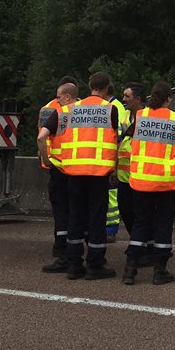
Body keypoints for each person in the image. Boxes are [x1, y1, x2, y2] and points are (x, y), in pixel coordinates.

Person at [122, 81, 175, 286]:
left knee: (141, 222)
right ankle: (160, 271)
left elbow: (128, 137)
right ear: (168, 99)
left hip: (142, 180)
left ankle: (130, 270)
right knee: (163, 224)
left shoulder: (140, 117)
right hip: (167, 181)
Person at [56, 71, 120, 280]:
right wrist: (114, 169)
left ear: (89, 85)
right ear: (106, 87)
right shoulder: (110, 109)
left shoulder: (70, 109)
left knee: (75, 216)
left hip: (74, 172)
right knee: (96, 218)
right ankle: (94, 263)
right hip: (98, 172)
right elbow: (114, 141)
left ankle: (74, 264)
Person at [36, 77, 79, 273]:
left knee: (60, 211)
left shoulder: (47, 109)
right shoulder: (82, 111)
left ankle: (60, 249)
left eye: (60, 96)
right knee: (74, 211)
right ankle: (75, 251)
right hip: (76, 167)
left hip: (56, 166)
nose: (57, 98)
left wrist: (47, 160)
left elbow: (41, 136)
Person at [117, 81, 146, 237]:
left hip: (141, 175)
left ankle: (141, 244)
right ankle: (136, 239)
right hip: (124, 176)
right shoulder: (124, 115)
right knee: (125, 210)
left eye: (127, 96)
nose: (124, 99)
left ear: (139, 99)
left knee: (141, 213)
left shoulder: (148, 117)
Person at [103, 83, 128, 243]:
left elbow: (117, 138)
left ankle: (111, 230)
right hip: (111, 159)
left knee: (112, 196)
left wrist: (114, 165)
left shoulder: (114, 107)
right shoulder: (116, 106)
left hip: (113, 160)